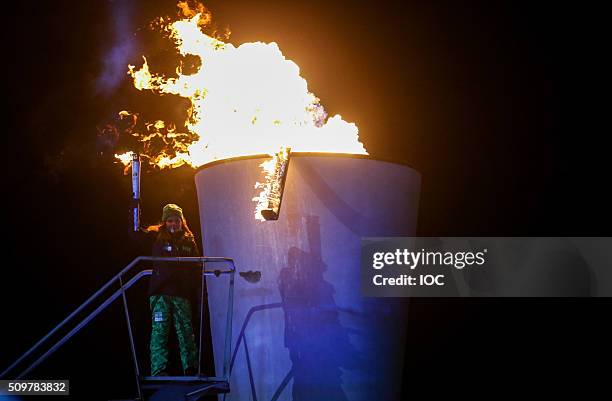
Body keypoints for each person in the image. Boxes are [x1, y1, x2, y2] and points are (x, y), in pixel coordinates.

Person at [132, 203, 200, 376]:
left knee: (185, 331)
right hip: (160, 293)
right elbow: (137, 235)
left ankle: (190, 368)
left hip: (181, 294)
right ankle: (159, 369)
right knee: (160, 331)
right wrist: (134, 210)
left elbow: (196, 267)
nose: (173, 224)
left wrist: (199, 293)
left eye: (176, 220)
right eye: (169, 220)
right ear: (164, 222)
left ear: (181, 221)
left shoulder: (189, 240)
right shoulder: (156, 236)